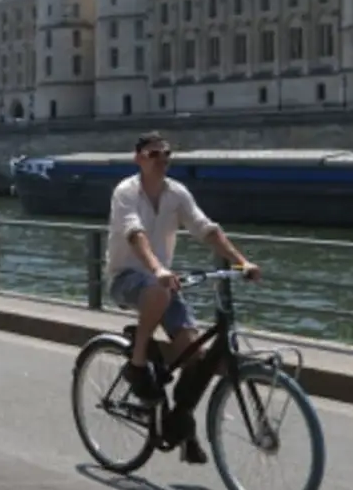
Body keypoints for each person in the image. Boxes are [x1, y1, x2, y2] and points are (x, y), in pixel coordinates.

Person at [107, 131, 261, 465]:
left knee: (195, 356)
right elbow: (135, 233)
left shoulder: (176, 193)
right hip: (126, 278)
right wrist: (158, 268)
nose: (161, 160)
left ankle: (181, 423)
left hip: (164, 283)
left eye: (166, 154)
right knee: (158, 287)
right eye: (153, 154)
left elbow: (206, 228)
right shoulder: (125, 192)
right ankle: (137, 364)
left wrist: (241, 262)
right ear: (138, 159)